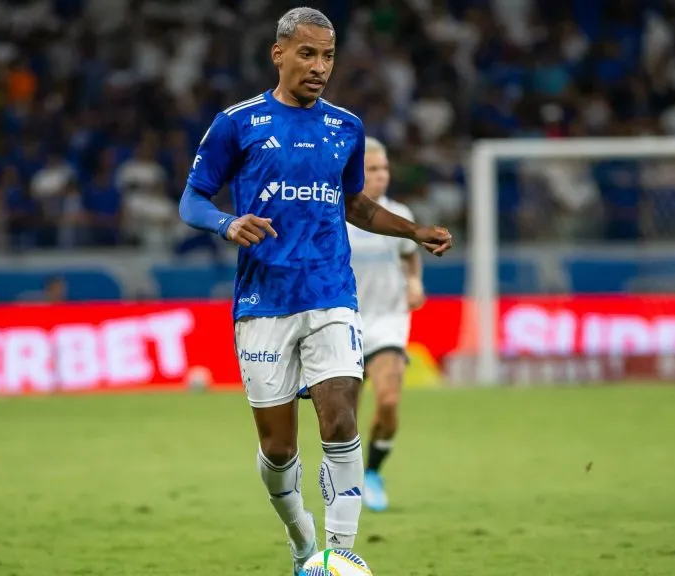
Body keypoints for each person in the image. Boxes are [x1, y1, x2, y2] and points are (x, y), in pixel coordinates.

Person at [178, 7, 453, 574]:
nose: (319, 67)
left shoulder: (345, 127)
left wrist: (413, 230)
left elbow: (355, 204)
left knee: (339, 418)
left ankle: (342, 553)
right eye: (307, 53)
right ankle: (305, 544)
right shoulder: (238, 123)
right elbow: (192, 200)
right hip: (263, 302)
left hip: (330, 293)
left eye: (328, 56)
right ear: (278, 53)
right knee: (279, 449)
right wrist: (227, 223)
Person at [345, 137, 425, 513]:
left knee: (389, 402)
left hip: (389, 320)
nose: (381, 176)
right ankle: (346, 483)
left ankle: (373, 473)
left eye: (385, 169)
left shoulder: (398, 212)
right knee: (345, 418)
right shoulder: (337, 215)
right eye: (372, 170)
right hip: (343, 321)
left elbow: (410, 255)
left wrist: (414, 281)